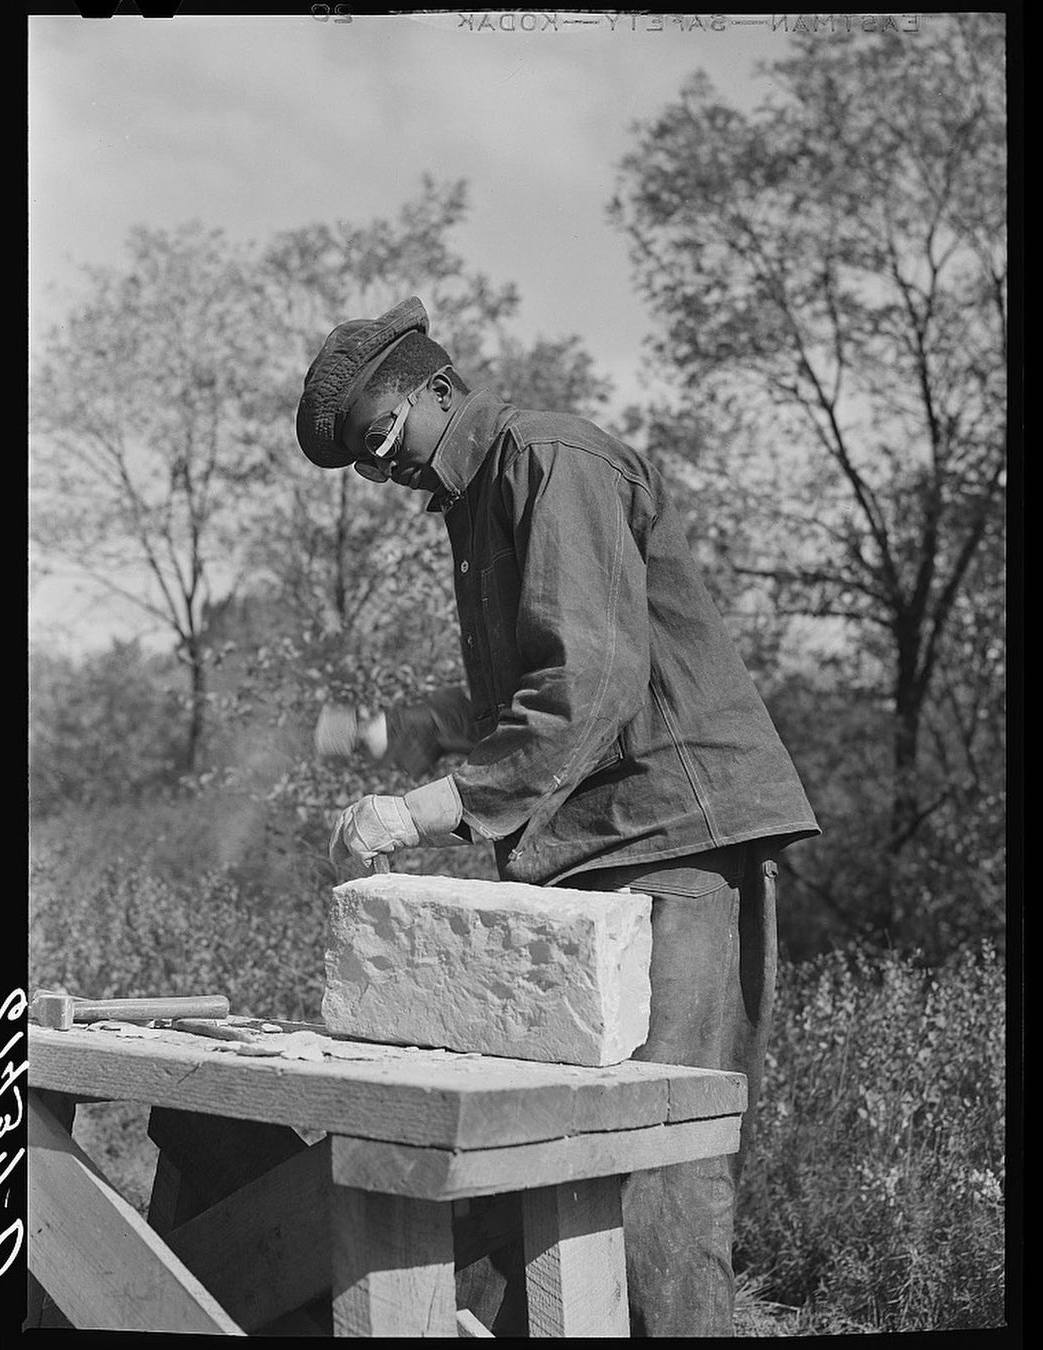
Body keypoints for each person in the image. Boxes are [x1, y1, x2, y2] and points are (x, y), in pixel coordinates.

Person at [296, 296, 820, 1337]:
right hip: (590, 857)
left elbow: (591, 682)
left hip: (678, 842)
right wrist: (384, 731)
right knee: (535, 1156)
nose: (381, 469)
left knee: (655, 1167)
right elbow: (521, 702)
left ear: (439, 389)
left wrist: (414, 814)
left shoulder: (549, 460)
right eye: (364, 460)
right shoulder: (478, 504)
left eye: (383, 438)